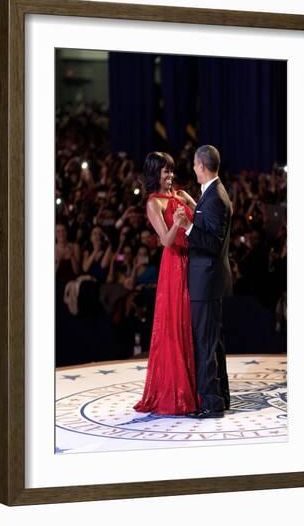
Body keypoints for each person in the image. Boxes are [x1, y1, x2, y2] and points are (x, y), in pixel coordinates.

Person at [133, 151, 199, 415]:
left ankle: (194, 388)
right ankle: (175, 392)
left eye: (171, 171)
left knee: (189, 324)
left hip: (192, 263)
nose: (170, 176)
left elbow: (202, 214)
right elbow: (166, 240)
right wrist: (179, 224)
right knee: (174, 324)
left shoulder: (181, 195)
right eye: (165, 171)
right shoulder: (153, 203)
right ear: (154, 174)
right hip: (173, 266)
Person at [174, 145, 232, 419]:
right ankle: (221, 398)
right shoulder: (212, 194)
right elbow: (208, 223)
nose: (194, 169)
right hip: (209, 280)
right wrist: (193, 206)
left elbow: (211, 241)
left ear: (201, 166)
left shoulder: (216, 198)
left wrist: (186, 226)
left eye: (195, 165)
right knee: (214, 342)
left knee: (205, 343)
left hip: (206, 281)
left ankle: (211, 404)